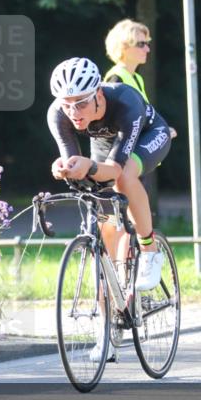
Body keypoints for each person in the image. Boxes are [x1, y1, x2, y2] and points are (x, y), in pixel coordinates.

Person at [47, 57, 172, 291]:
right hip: (105, 144)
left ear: (99, 94)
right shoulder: (57, 114)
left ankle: (150, 250)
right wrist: (64, 168)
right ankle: (109, 301)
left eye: (81, 103)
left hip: (148, 136)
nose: (73, 112)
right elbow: (73, 161)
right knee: (105, 223)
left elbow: (114, 170)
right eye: (66, 104)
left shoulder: (125, 101)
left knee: (123, 177)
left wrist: (90, 166)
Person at [103, 18, 152, 102]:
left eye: (147, 44)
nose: (147, 49)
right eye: (141, 44)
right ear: (123, 47)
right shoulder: (115, 78)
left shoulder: (138, 78)